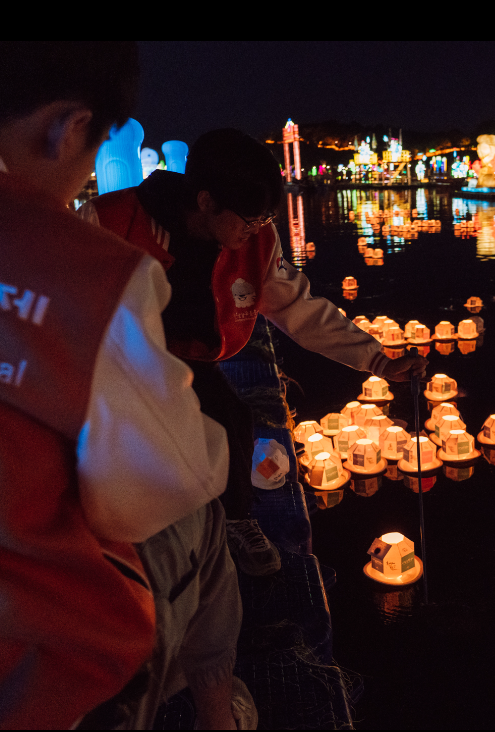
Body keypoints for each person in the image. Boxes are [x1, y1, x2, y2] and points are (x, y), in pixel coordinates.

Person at [0, 42, 247, 729]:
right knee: (202, 506)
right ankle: (216, 708)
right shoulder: (88, 272)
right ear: (69, 126)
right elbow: (156, 488)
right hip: (35, 656)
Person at [82, 129, 428, 574]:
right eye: (249, 219)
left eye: (265, 219)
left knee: (230, 422)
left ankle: (238, 520)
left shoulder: (257, 239)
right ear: (205, 201)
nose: (257, 230)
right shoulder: (108, 222)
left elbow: (299, 309)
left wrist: (379, 361)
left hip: (191, 357)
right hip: (110, 360)